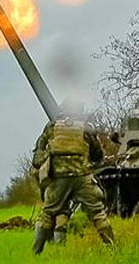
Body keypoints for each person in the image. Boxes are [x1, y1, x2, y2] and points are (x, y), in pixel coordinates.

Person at [31, 101, 114, 255]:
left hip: (58, 179)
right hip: (82, 177)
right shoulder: (86, 128)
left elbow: (36, 158)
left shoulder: (51, 127)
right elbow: (97, 156)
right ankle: (113, 249)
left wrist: (49, 162)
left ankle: (36, 253)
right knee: (98, 213)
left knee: (47, 214)